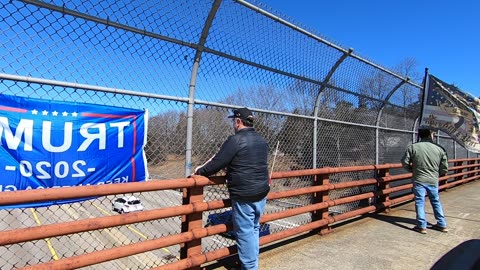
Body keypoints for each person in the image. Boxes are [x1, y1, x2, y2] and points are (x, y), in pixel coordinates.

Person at [194, 107, 270, 270]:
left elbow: (216, 164)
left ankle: (250, 267)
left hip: (245, 195)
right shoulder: (261, 140)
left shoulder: (235, 140)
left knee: (244, 233)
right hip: (262, 192)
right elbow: (249, 162)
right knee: (254, 228)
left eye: (233, 122)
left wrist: (199, 171)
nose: (233, 125)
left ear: (238, 121)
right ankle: (252, 263)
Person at [401, 128, 449, 234]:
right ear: (429, 135)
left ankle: (422, 226)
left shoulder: (413, 147)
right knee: (435, 201)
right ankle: (442, 224)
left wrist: (412, 170)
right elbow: (445, 167)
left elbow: (404, 162)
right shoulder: (439, 148)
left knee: (419, 202)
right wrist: (437, 173)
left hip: (419, 179)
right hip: (433, 179)